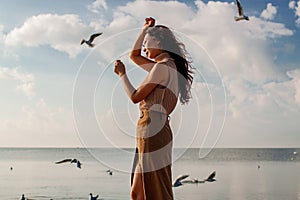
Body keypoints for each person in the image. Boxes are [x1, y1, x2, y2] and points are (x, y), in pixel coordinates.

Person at [114, 17, 193, 200]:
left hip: (151, 125)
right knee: (138, 193)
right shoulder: (169, 66)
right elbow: (134, 55)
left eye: (147, 42)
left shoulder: (162, 68)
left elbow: (135, 97)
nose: (144, 47)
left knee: (156, 190)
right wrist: (144, 30)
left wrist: (122, 75)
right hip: (155, 126)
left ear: (159, 42)